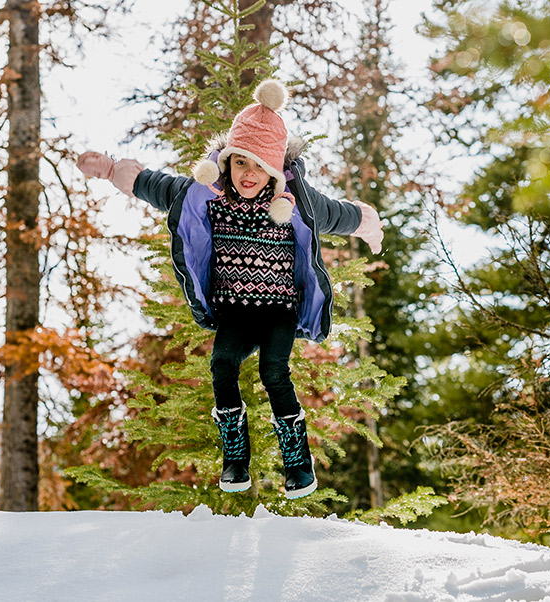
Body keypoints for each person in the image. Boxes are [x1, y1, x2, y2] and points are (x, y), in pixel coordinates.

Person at [76, 79, 384, 499]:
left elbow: (334, 214)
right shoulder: (207, 195)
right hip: (236, 310)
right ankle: (235, 458)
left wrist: (364, 221)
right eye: (241, 164)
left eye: (259, 167)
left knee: (274, 371)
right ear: (227, 162)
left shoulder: (295, 199)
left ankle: (298, 462)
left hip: (279, 310)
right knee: (222, 364)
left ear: (275, 169)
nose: (249, 175)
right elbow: (159, 187)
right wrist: (113, 170)